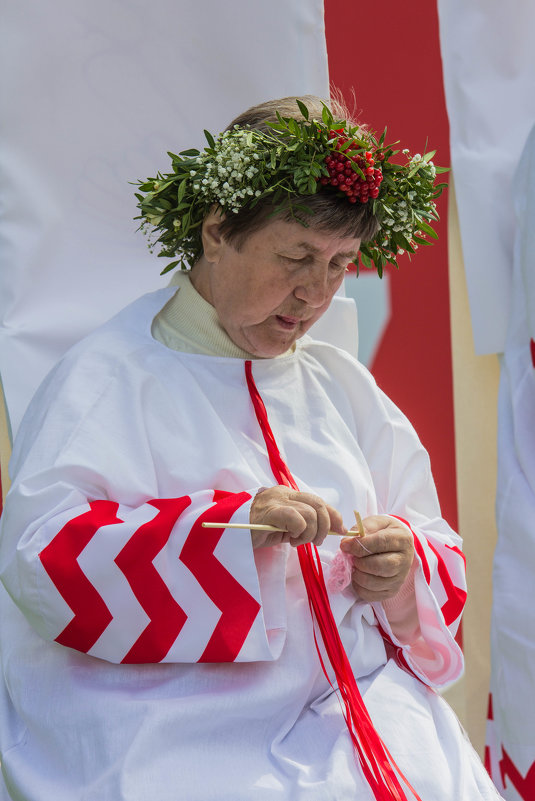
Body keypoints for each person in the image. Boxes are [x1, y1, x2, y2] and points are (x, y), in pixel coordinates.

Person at [0, 95, 502, 801]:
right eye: (295, 256)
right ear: (215, 230)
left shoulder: (339, 383)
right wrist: (228, 532)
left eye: (340, 264)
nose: (315, 292)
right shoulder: (107, 377)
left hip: (364, 714)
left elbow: (436, 546)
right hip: (179, 732)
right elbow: (39, 562)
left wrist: (399, 567)